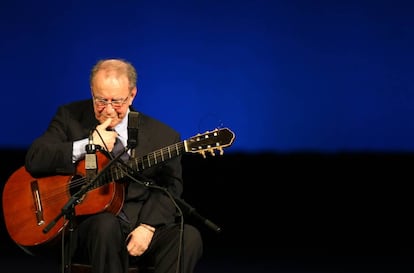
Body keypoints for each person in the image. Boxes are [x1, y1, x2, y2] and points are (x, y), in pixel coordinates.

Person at [24, 58, 203, 273]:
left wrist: (148, 226)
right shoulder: (69, 117)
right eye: (101, 100)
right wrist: (88, 145)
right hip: (89, 228)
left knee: (188, 237)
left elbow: (171, 187)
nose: (108, 110)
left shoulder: (163, 136)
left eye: (117, 102)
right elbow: (36, 157)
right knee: (105, 226)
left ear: (132, 95)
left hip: (139, 224)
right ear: (92, 92)